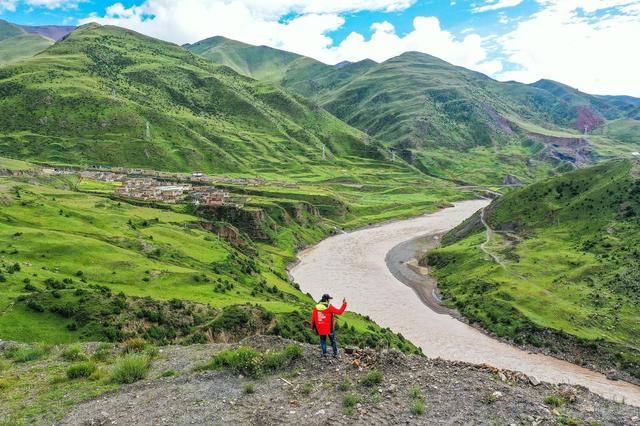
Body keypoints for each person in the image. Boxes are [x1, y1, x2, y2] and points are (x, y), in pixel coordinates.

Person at [310, 294, 347, 358]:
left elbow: (313, 318)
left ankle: (324, 353)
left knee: (323, 341)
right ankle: (335, 353)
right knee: (333, 340)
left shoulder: (316, 307)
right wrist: (344, 304)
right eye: (329, 299)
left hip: (320, 327)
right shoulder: (329, 306)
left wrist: (312, 327)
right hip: (329, 328)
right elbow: (339, 312)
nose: (329, 300)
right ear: (326, 300)